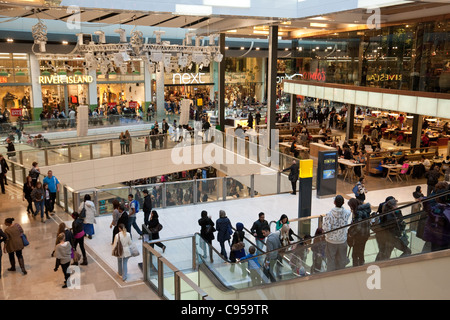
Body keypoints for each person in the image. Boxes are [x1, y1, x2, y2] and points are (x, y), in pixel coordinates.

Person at [322, 195, 351, 271]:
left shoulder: (329, 215)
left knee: (331, 259)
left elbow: (326, 228)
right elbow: (349, 211)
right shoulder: (347, 213)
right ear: (343, 203)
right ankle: (340, 274)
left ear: (334, 202)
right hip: (342, 240)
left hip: (331, 241)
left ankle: (330, 275)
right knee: (342, 259)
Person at [421, 182, 450, 252]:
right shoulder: (442, 207)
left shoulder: (438, 206)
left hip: (436, 236)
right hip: (441, 237)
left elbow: (437, 219)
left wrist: (428, 209)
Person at [347, 198, 371, 267]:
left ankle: (356, 267)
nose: (350, 208)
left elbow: (358, 227)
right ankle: (361, 264)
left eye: (350, 206)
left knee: (354, 254)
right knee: (361, 251)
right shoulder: (366, 210)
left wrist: (351, 234)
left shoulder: (358, 212)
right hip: (366, 234)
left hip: (359, 235)